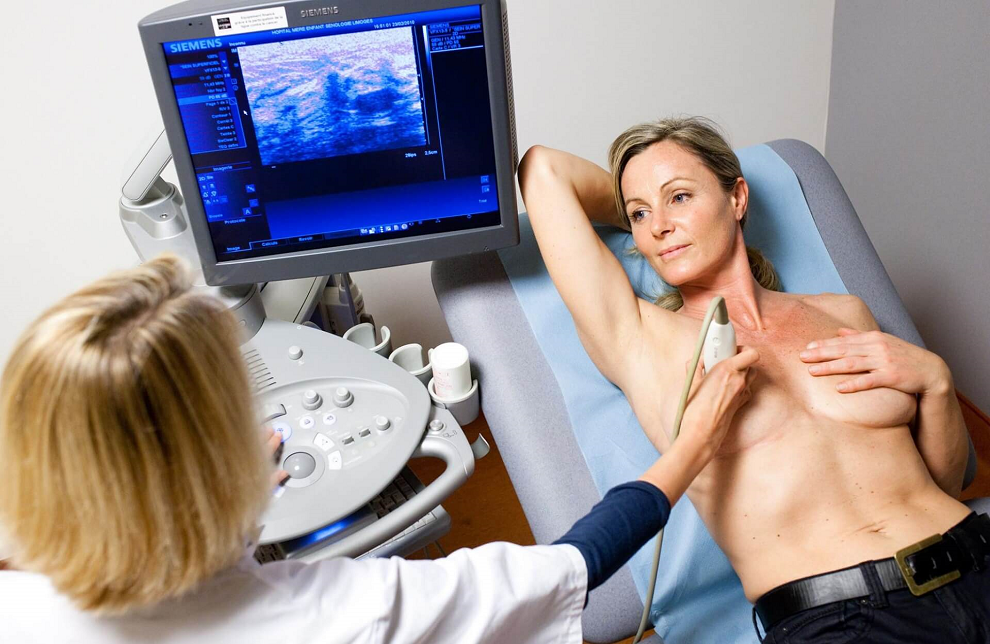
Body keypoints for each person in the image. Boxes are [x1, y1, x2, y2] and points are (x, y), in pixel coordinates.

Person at [0, 254, 757, 643]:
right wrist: (693, 442)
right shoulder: (345, 615)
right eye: (241, 423)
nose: (271, 434)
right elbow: (572, 565)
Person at [517, 116, 990, 643]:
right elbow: (542, 171)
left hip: (974, 555)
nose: (658, 226)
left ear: (737, 198)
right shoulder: (641, 341)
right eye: (640, 213)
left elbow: (944, 487)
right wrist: (653, 210)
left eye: (680, 197)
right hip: (839, 620)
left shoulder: (844, 313)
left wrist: (937, 382)